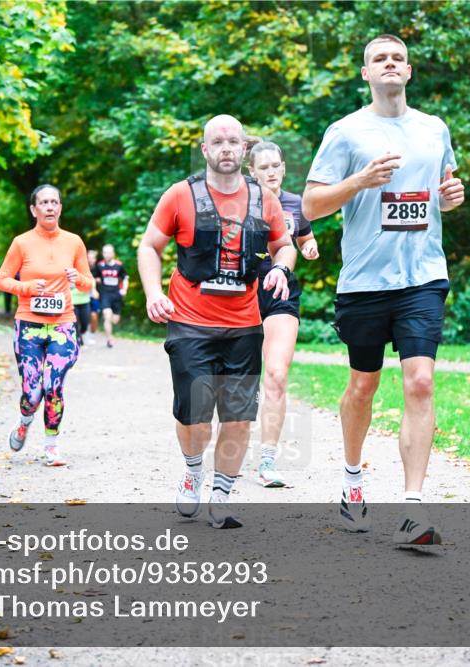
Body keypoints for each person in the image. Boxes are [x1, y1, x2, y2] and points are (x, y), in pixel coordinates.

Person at [302, 34, 465, 543]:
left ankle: (413, 507)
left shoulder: (434, 129)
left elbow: (446, 189)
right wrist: (359, 181)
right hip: (364, 282)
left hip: (422, 276)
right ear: (366, 74)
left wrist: (454, 196)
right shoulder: (346, 132)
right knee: (363, 386)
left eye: (397, 58)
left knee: (420, 382)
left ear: (409, 72)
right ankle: (353, 480)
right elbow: (310, 206)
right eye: (379, 59)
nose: (389, 64)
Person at [138, 114, 295, 529]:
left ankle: (222, 493)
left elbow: (284, 245)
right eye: (217, 142)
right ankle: (193, 470)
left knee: (239, 415)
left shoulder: (265, 198)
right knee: (194, 413)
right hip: (190, 320)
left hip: (244, 323)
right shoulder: (180, 196)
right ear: (205, 150)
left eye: (234, 142)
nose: (226, 148)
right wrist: (154, 293)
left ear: (244, 151)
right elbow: (149, 246)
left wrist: (280, 268)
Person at [0, 184, 94, 467]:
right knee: (32, 391)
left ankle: (51, 445)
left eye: (54, 202)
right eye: (44, 202)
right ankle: (25, 421)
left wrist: (78, 278)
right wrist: (27, 287)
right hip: (28, 325)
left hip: (63, 326)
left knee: (53, 386)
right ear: (33, 209)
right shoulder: (21, 242)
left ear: (60, 208)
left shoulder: (74, 242)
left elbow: (88, 283)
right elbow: (2, 280)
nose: (50, 207)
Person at [247, 141, 320, 488]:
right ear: (252, 172)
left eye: (276, 165)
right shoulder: (238, 203)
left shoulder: (296, 204)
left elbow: (304, 238)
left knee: (275, 374)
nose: (272, 172)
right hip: (240, 295)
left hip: (280, 291)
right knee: (239, 380)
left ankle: (267, 459)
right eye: (264, 167)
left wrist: (308, 247)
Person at [93, 244, 128, 348]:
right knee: (107, 316)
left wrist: (124, 289)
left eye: (109, 252)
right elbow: (93, 277)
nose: (107, 254)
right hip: (105, 294)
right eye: (105, 252)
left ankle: (110, 326)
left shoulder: (119, 265)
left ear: (113, 253)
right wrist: (94, 288)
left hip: (116, 295)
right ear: (103, 254)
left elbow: (125, 278)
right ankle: (109, 339)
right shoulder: (99, 266)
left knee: (115, 320)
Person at [86, 249, 100, 343]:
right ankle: (83, 335)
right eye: (89, 257)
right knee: (84, 316)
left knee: (94, 316)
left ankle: (92, 333)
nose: (91, 259)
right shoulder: (82, 267)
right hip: (82, 295)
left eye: (92, 258)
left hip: (94, 295)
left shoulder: (99, 268)